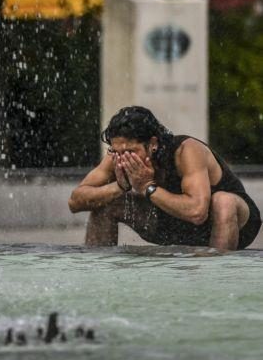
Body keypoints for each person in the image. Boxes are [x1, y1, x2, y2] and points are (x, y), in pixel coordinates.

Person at [68, 106, 261, 251]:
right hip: (167, 222)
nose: (124, 158)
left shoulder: (186, 151)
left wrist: (148, 187)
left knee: (223, 201)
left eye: (131, 151)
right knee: (106, 204)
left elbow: (197, 212)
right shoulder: (119, 156)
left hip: (224, 223)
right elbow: (75, 201)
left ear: (152, 143)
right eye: (117, 151)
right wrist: (120, 187)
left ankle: (216, 284)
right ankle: (98, 278)